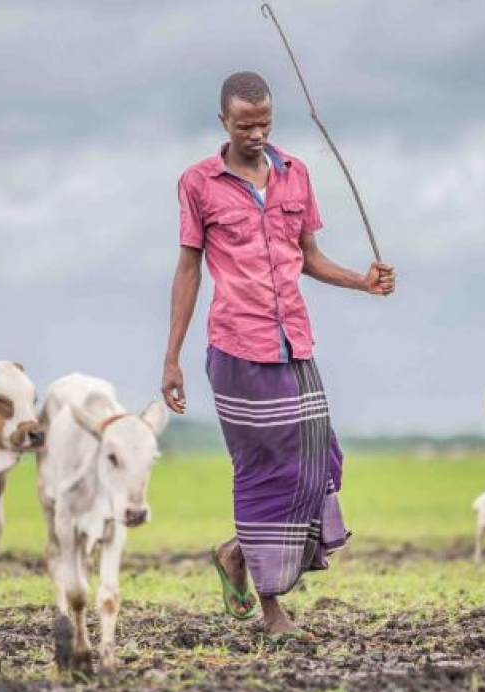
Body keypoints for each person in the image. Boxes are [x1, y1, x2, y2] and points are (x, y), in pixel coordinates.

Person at [161, 71, 396, 636]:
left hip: (295, 343)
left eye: (264, 123)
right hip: (238, 349)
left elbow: (309, 256)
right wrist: (171, 358)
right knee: (264, 473)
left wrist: (361, 282)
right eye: (245, 125)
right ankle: (271, 610)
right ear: (224, 123)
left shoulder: (297, 175)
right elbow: (189, 268)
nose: (257, 134)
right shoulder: (198, 184)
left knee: (319, 462)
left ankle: (236, 553)